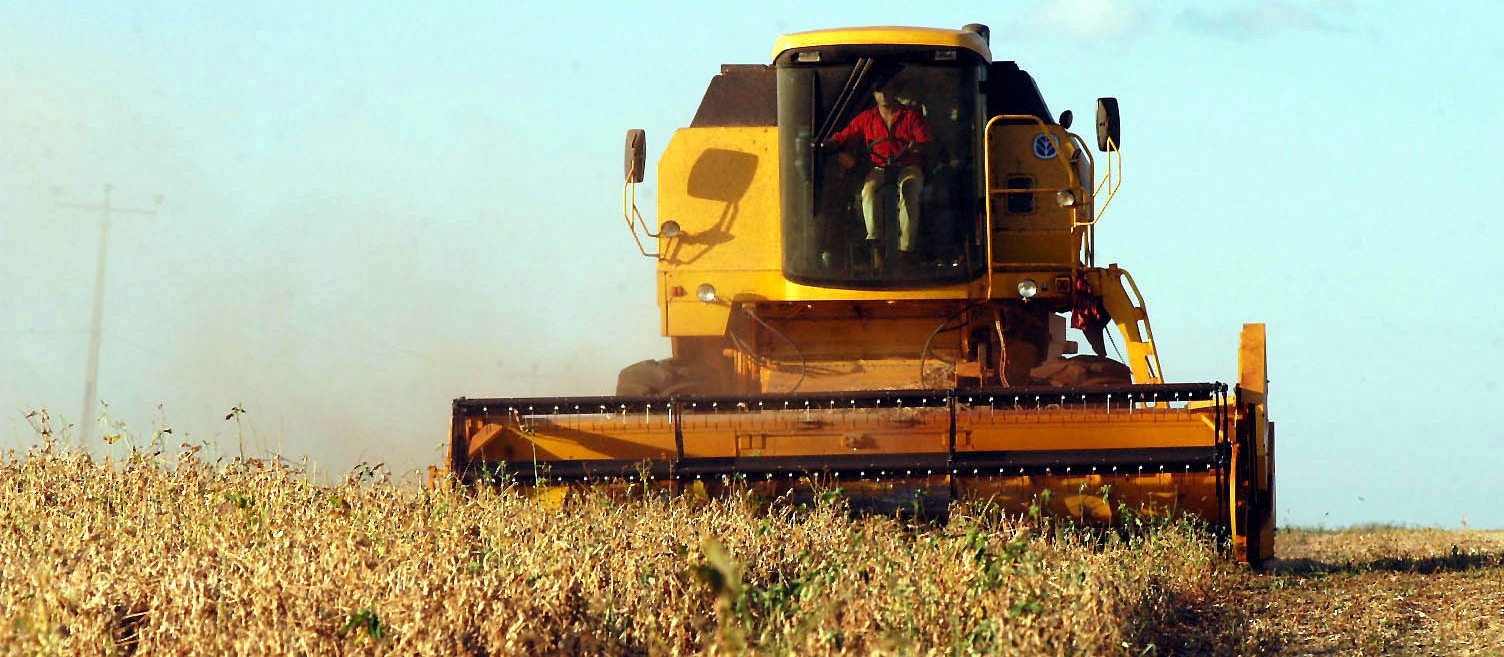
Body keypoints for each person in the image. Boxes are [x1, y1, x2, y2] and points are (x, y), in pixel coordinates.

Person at [825, 83, 934, 263]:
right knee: (868, 191)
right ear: (874, 94)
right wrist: (830, 143)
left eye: (887, 89)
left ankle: (905, 250)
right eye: (879, 91)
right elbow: (846, 134)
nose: (883, 94)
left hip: (907, 167)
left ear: (894, 91)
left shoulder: (911, 116)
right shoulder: (866, 118)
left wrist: (918, 147)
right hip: (880, 168)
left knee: (909, 189)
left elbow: (925, 143)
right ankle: (875, 245)